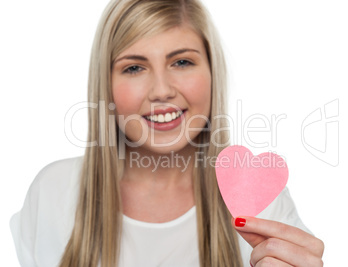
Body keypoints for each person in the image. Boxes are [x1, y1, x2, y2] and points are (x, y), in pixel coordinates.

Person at [10, 0, 324, 266]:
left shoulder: (259, 201)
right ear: (104, 84)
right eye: (134, 67)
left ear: (213, 73)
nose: (161, 91)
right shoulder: (53, 192)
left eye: (182, 62)